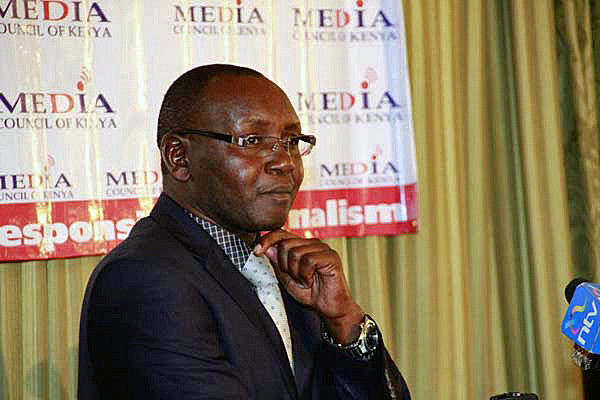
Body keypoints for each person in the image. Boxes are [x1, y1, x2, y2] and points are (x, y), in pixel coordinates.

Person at [78, 64, 411, 399]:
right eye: (252, 140)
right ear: (178, 157)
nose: (285, 162)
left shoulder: (288, 273)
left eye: (292, 141)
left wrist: (344, 322)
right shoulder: (145, 280)